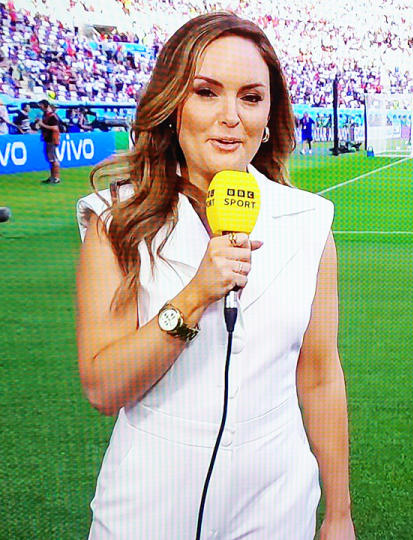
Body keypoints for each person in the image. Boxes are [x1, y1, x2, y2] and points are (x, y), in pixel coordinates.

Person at [75, 13, 354, 539]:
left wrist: (338, 514)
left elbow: (319, 375)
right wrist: (196, 293)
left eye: (251, 97)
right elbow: (103, 388)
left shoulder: (310, 220)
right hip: (148, 502)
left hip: (277, 500)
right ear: (172, 104)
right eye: (206, 93)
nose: (231, 117)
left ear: (270, 114)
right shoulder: (115, 221)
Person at [38, 100, 61, 184]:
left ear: (45, 105)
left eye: (41, 105)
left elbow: (55, 128)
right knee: (51, 159)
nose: (39, 107)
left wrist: (42, 125)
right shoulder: (45, 115)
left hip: (52, 139)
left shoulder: (52, 116)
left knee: (54, 159)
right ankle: (52, 177)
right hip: (47, 139)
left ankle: (56, 177)